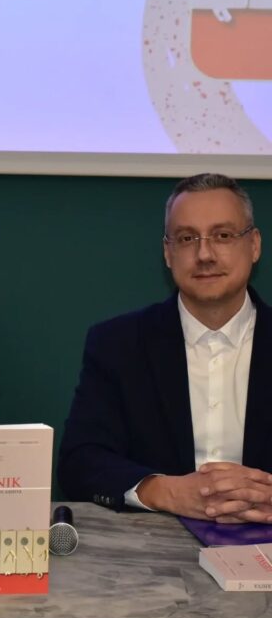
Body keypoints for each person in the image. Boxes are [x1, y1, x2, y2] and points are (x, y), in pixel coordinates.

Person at [58, 173, 272, 523]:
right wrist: (167, 492)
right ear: (168, 253)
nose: (204, 254)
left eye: (222, 235)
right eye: (187, 238)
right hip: (151, 545)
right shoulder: (118, 344)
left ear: (254, 245)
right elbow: (80, 461)